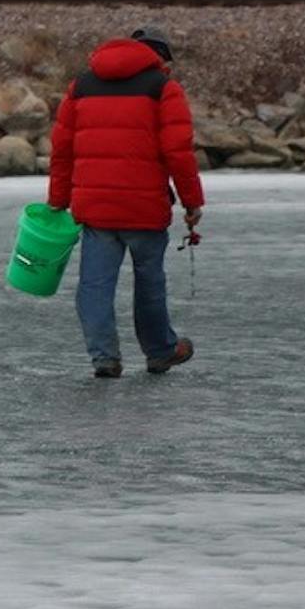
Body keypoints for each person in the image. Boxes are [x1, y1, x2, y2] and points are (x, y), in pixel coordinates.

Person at [45, 23, 205, 378]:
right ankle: (161, 351)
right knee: (149, 282)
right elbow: (178, 153)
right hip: (144, 208)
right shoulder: (164, 89)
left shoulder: (81, 87)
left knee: (94, 285)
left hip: (96, 210)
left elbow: (62, 149)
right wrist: (192, 203)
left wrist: (58, 200)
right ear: (159, 57)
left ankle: (104, 358)